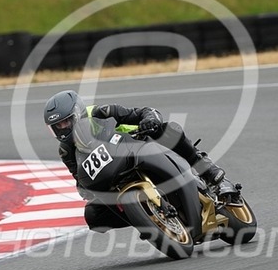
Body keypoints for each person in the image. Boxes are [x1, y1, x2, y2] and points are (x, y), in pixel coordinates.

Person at [43, 90, 225, 232]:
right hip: (112, 175)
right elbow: (79, 178)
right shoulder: (66, 151)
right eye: (57, 126)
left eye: (66, 122)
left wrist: (149, 120)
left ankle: (207, 169)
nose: (63, 128)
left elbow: (144, 112)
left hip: (136, 145)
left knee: (168, 130)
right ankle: (146, 220)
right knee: (93, 215)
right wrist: (86, 189)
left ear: (78, 114)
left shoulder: (102, 113)